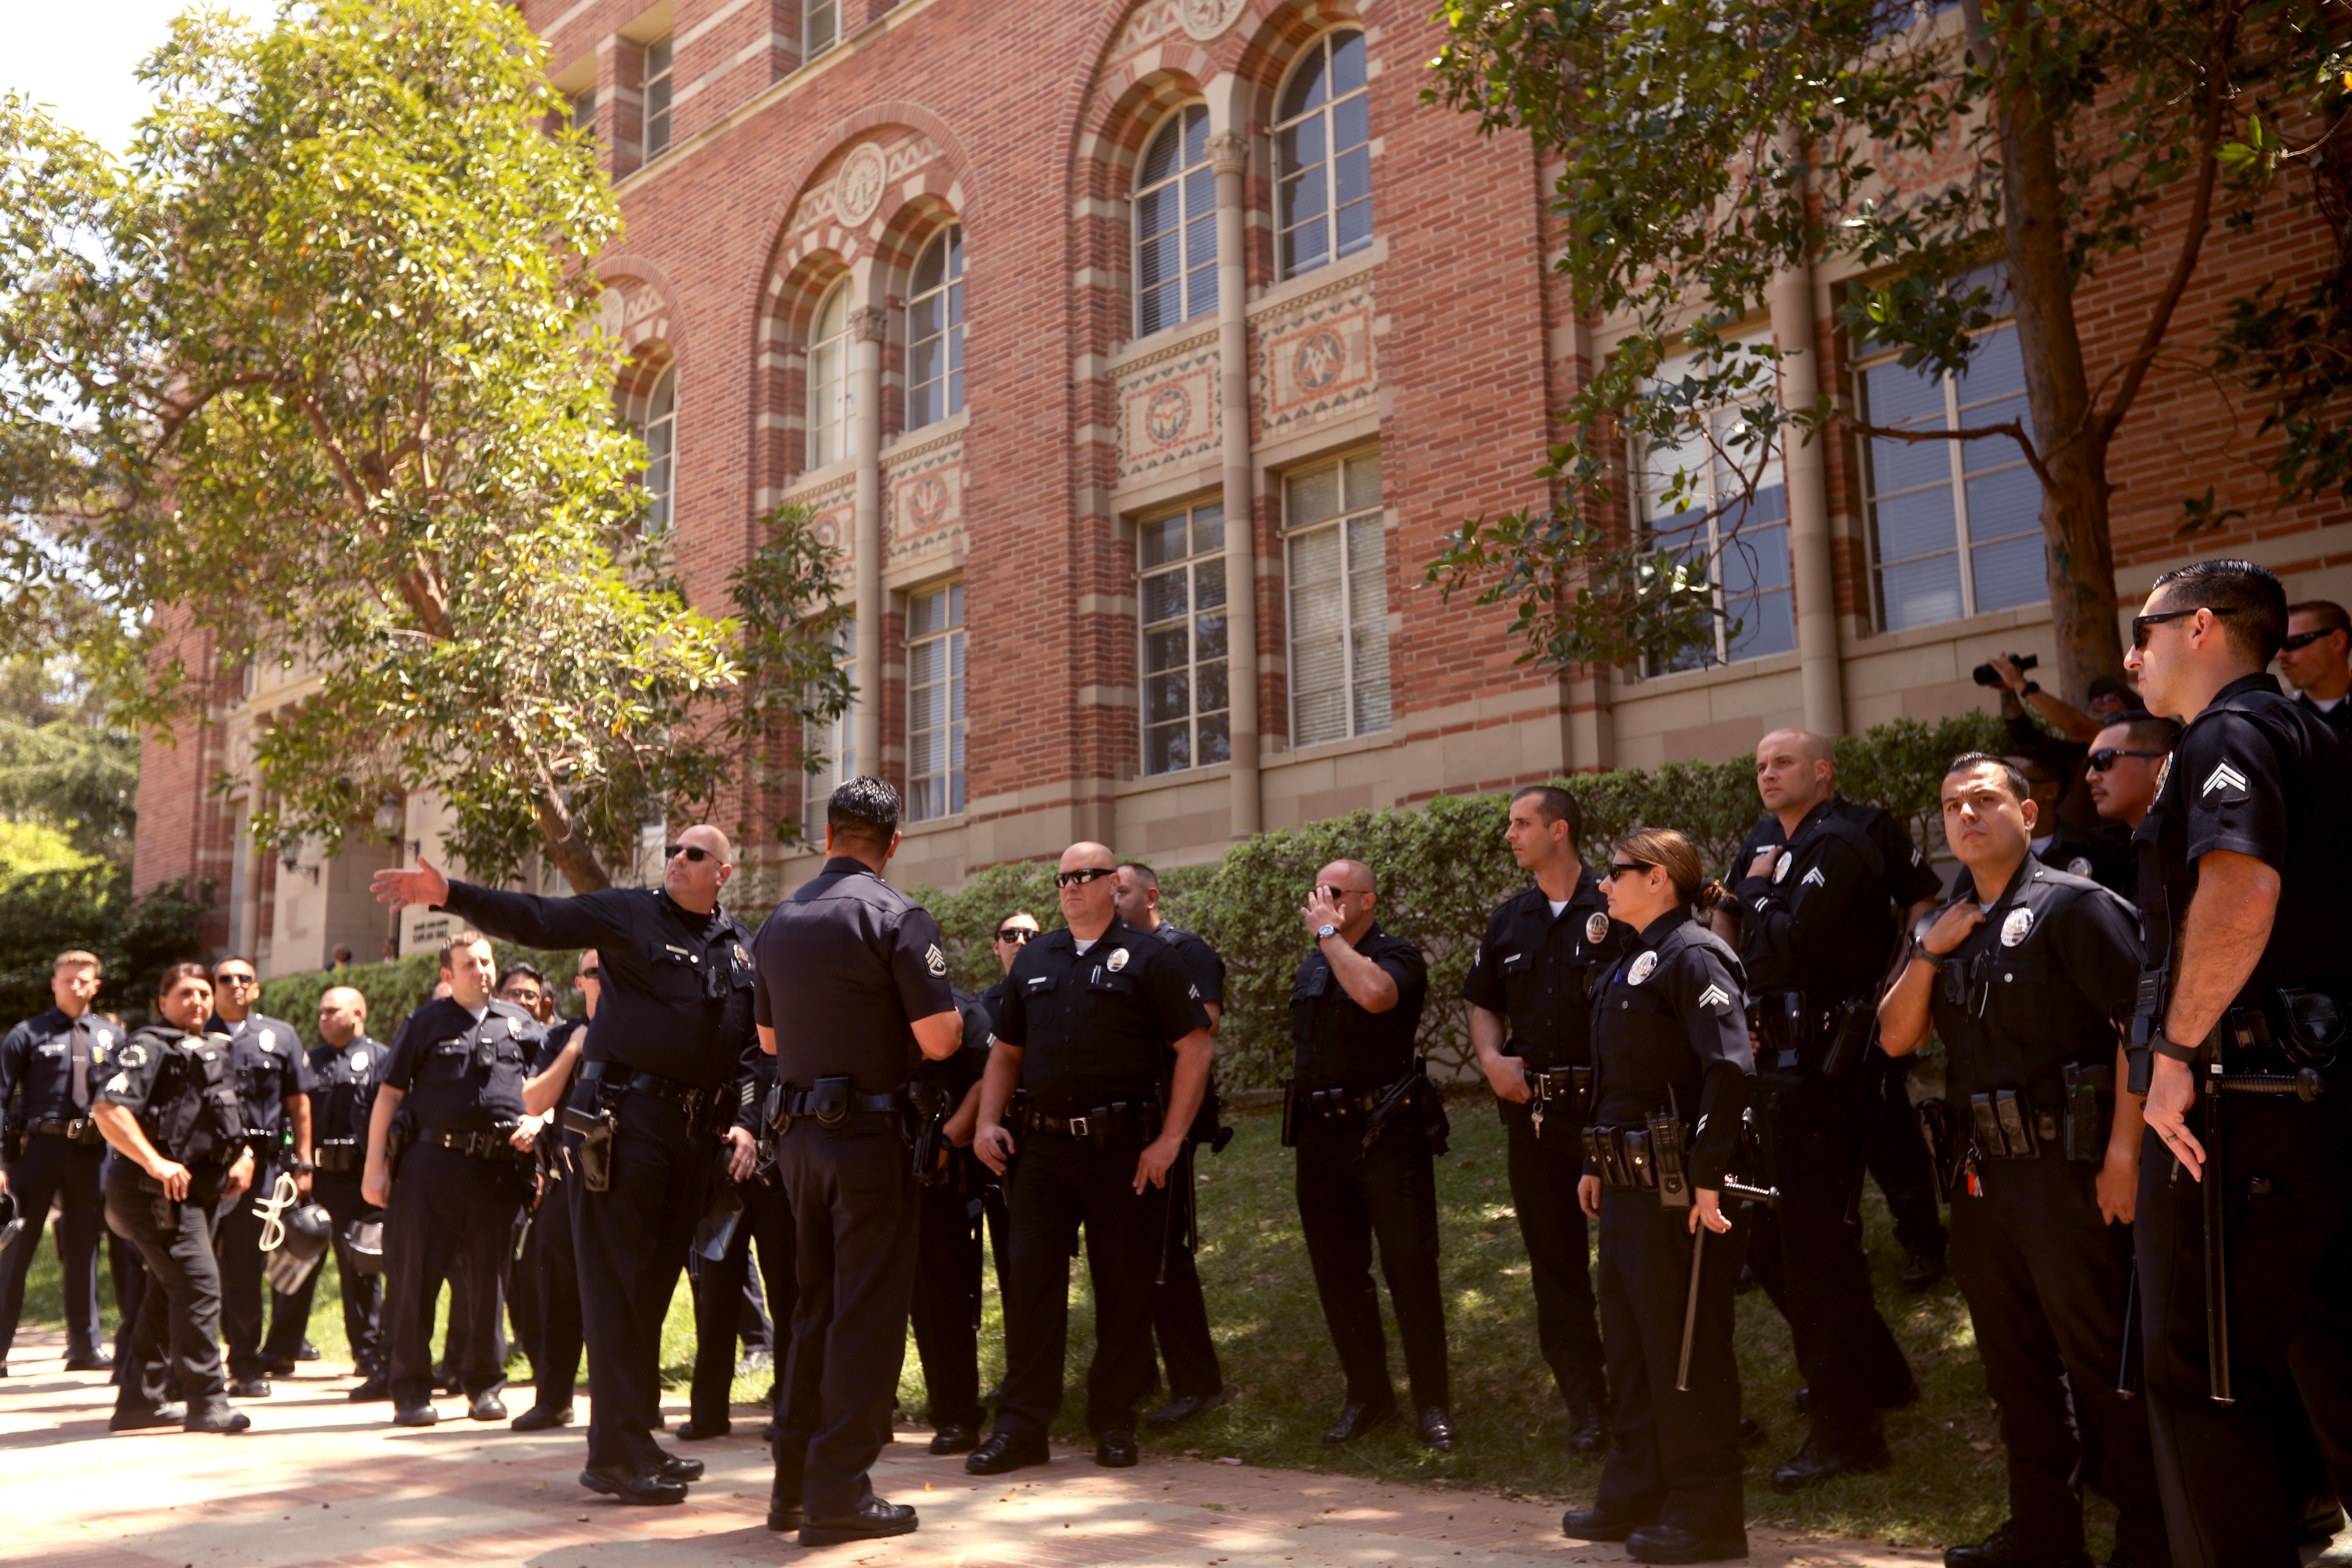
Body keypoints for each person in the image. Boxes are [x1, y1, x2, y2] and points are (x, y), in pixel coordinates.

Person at [372, 822, 758, 1505]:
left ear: (724, 871)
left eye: (694, 853)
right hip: (625, 1125)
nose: (677, 859)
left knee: (648, 1293)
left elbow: (747, 1040)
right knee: (615, 1291)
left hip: (691, 1135)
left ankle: (633, 1439)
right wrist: (449, 893)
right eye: (673, 849)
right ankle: (616, 1453)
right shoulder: (630, 910)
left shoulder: (735, 944)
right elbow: (538, 917)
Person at [1877, 754, 2167, 1568]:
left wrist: (2123, 1154)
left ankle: (2153, 1541)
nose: (1965, 816)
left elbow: (2138, 1030)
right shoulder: (1952, 924)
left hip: (2070, 1174)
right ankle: (2046, 1538)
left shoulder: (2075, 908)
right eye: (1950, 806)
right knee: (2017, 1373)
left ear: (2029, 815)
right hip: (1981, 1178)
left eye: (1984, 801)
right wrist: (1928, 953)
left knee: (2105, 1366)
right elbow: (1896, 1038)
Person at [2121, 559, 2352, 1568]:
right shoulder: (2317, 735)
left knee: (2203, 1382)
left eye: (2147, 628)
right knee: (2338, 1366)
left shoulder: (2230, 732)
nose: (2132, 655)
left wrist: (2174, 1050)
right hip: (2321, 1102)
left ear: (2202, 626)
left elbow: (2241, 889)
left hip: (2243, 1101)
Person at [1712, 728, 1940, 1491]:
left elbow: (1819, 932)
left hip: (1831, 1059)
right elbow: (1734, 922)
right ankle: (1875, 1373)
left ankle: (1848, 1428)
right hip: (1770, 1057)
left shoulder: (1850, 837)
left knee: (1814, 1242)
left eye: (1781, 762)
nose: (1767, 773)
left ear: (1822, 770)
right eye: (1760, 764)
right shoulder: (1758, 843)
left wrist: (1896, 982)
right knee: (1776, 1238)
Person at [752, 777, 961, 1546]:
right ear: (893, 842)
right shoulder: (896, 914)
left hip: (801, 1143)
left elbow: (771, 1046)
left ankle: (793, 1490)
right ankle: (840, 1490)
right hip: (869, 1142)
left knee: (812, 1309)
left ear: (828, 833)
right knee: (866, 1314)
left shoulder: (777, 921)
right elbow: (941, 1037)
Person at [967, 841, 1214, 1477]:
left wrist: (1170, 1141)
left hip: (1122, 1151)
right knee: (1030, 1287)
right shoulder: (1037, 957)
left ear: (1114, 885)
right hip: (1044, 1149)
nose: (1072, 886)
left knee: (1124, 1290)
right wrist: (988, 1121)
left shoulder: (1152, 958)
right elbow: (1007, 1052)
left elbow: (1195, 1048)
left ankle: (1113, 1420)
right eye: (1064, 878)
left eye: (1086, 876)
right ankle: (1022, 1428)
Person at [1560, 828, 1754, 1566]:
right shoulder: (1634, 959)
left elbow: (1729, 1069)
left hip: (1680, 1189)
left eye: (1616, 873)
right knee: (1635, 1348)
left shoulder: (1694, 954)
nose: (1604, 885)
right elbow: (1622, 1074)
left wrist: (1708, 1174)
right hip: (1628, 1184)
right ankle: (1637, 1489)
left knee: (1685, 1351)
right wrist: (1595, 1160)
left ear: (1659, 878)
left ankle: (1707, 1514)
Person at [1461, 784, 1624, 1453]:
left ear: (1560, 830)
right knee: (1555, 1270)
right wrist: (1491, 1060)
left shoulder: (1618, 904)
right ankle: (1587, 1408)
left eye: (1521, 824)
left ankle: (1661, 1398)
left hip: (1612, 1114)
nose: (1510, 835)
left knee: (1633, 1266)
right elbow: (1483, 1001)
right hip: (1534, 1122)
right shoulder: (1510, 920)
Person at [1286, 858, 1448, 1449]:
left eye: (1335, 893)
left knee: (1410, 1266)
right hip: (1320, 1141)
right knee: (1338, 1274)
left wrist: (1329, 937)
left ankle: (1433, 1405)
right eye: (1319, 892)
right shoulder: (1313, 966)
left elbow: (1377, 997)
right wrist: (1327, 946)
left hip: (1385, 1135)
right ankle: (1368, 1396)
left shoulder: (1397, 955)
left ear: (1368, 902)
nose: (1322, 901)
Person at [362, 931, 541, 1427]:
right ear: (448, 974)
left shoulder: (522, 1025)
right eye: (469, 965)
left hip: (497, 1170)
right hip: (430, 1166)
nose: (482, 971)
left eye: (487, 961)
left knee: (489, 1281)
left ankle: (484, 1385)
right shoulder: (424, 1023)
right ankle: (412, 1392)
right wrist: (374, 1167)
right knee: (417, 1279)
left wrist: (541, 1123)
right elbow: (389, 1096)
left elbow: (550, 1087)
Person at [90, 962, 255, 1434]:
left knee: (169, 1292)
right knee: (200, 1286)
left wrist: (242, 1158)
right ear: (163, 1002)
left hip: (197, 1192)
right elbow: (107, 1108)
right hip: (153, 1191)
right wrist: (154, 1162)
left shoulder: (209, 1050)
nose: (198, 1001)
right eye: (185, 993)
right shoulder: (149, 1046)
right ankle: (207, 1402)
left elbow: (219, 1119)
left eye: (204, 992)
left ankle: (140, 1402)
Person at [1114, 860, 1229, 1430]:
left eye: (1124, 889)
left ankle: (1197, 1384)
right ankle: (1138, 1375)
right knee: (1129, 1256)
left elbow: (1200, 1025)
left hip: (1168, 1122)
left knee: (1164, 1256)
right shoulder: (1114, 954)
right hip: (1122, 1125)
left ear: (1151, 895)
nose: (1112, 898)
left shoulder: (1185, 951)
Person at [0, 950, 120, 1376]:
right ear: (54, 983)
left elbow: (125, 1102)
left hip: (92, 1154)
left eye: (83, 980)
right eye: (67, 979)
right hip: (38, 1152)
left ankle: (85, 1347)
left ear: (95, 986)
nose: (74, 986)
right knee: (16, 1249)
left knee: (84, 1249)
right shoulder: (26, 1034)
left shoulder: (110, 1037)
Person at [678, 1014, 794, 1444]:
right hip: (724, 1169)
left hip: (778, 1172)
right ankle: (708, 1411)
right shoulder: (727, 1027)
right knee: (716, 1292)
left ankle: (789, 1408)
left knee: (788, 1293)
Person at [207, 956, 316, 1397]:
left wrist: (305, 1162)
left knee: (247, 1264)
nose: (235, 985)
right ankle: (189, 1362)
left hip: (264, 1168)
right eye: (225, 979)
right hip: (205, 1164)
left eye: (244, 979)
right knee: (200, 1264)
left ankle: (246, 1363)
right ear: (213, 986)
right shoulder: (195, 1030)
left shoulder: (280, 1035)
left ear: (255, 989)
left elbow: (299, 1103)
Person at [281, 986, 392, 1400]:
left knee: (360, 1266)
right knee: (294, 1260)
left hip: (356, 1180)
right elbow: (291, 1114)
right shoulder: (311, 1059)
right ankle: (283, 1348)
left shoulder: (381, 1057)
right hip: (312, 1177)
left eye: (332, 1011)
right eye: (321, 1012)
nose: (323, 1017)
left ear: (358, 1013)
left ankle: (367, 1353)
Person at [906, 982, 999, 1453]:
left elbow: (988, 1079)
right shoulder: (865, 1007)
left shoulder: (963, 1009)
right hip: (871, 1173)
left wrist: (945, 1141)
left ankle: (957, 1415)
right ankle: (865, 1410)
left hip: (939, 1176)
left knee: (941, 1300)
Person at [510, 950, 599, 1433]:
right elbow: (535, 1098)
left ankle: (632, 1404)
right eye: (592, 973)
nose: (600, 980)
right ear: (578, 982)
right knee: (554, 1297)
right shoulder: (560, 1037)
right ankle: (554, 1399)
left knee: (626, 1299)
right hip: (569, 1180)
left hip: (627, 1183)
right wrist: (573, 1051)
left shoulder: (644, 1029)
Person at [2084, 712, 2181, 838]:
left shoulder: (2196, 843)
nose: (2090, 777)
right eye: (2089, 764)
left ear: (2162, 769)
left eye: (2103, 759)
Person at [2276, 598, 2352, 735]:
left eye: (2294, 642)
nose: (2280, 655)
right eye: (2277, 646)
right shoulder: (2281, 722)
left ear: (2337, 641)